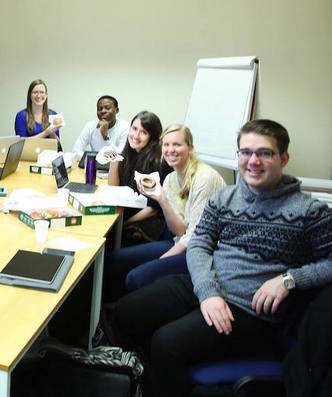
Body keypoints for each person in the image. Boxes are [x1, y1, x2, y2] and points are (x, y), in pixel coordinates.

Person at [111, 119, 331, 397]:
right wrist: (207, 293)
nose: (253, 161)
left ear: (283, 158)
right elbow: (200, 244)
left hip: (249, 309)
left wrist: (289, 280)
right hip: (207, 285)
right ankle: (155, 380)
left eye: (265, 153)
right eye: (245, 152)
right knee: (125, 312)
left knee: (165, 344)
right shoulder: (225, 198)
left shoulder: (308, 211)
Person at [104, 124, 225, 301]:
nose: (170, 150)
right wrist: (162, 199)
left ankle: (125, 312)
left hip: (203, 252)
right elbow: (180, 231)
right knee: (115, 260)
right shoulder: (170, 179)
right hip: (180, 241)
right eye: (166, 145)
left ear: (190, 148)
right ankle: (107, 314)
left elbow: (194, 237)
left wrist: (160, 260)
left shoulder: (204, 178)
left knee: (136, 278)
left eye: (177, 145)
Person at [108, 111, 170, 246]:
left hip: (148, 222)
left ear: (152, 137)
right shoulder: (131, 153)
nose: (135, 136)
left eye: (143, 132)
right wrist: (114, 162)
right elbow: (114, 190)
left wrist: (123, 224)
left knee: (109, 237)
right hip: (130, 214)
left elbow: (152, 209)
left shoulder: (156, 161)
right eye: (134, 129)